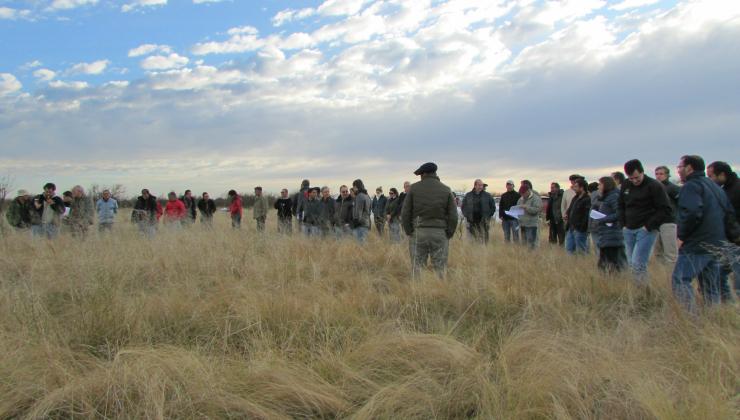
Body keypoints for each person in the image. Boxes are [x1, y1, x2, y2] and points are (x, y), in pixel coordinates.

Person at [672, 155, 733, 315]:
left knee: (680, 280)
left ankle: (691, 321)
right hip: (717, 243)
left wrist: (682, 236)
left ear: (689, 167)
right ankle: (714, 321)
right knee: (709, 286)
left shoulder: (691, 186)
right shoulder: (713, 186)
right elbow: (729, 213)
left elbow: (691, 212)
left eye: (680, 167)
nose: (678, 171)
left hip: (698, 244)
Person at [618, 159, 673, 289]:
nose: (634, 181)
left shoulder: (655, 186)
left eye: (637, 177)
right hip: (628, 229)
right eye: (631, 178)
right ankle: (639, 289)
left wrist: (648, 226)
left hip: (646, 230)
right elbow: (621, 205)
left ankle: (644, 292)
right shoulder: (626, 184)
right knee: (632, 263)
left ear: (642, 172)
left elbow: (665, 209)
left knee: (638, 264)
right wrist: (623, 225)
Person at [401, 162, 458, 278]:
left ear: (424, 174)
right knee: (440, 270)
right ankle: (440, 293)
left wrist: (409, 232)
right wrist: (449, 233)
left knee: (417, 270)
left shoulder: (414, 188)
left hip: (419, 232)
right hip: (439, 233)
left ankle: (418, 294)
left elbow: (405, 212)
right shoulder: (446, 189)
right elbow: (453, 216)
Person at [707, 161, 740, 303]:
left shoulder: (737, 189)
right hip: (729, 242)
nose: (709, 180)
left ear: (722, 175)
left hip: (737, 241)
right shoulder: (725, 189)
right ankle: (729, 309)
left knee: (739, 284)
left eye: (711, 176)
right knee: (719, 276)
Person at [596, 177, 628, 273]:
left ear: (607, 185)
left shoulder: (613, 196)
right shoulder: (607, 197)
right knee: (604, 264)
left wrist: (604, 219)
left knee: (611, 265)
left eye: (600, 184)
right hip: (606, 235)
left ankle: (615, 283)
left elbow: (620, 213)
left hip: (612, 236)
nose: (598, 187)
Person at [652, 166, 680, 265]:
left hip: (669, 222)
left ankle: (672, 275)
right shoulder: (655, 187)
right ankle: (662, 274)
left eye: (661, 174)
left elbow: (680, 203)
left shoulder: (673, 188)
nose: (658, 176)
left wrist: (676, 218)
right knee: (658, 252)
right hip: (656, 223)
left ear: (667, 175)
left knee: (670, 252)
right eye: (657, 174)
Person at [461, 179, 496, 244]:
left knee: (484, 237)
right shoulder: (469, 195)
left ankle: (484, 250)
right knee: (473, 238)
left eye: (481, 185)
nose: (480, 186)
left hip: (483, 220)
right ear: (475, 186)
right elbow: (463, 206)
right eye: (479, 185)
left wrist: (489, 214)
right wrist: (467, 215)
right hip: (472, 220)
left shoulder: (487, 195)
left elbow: (493, 206)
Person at [564, 179, 591, 255]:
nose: (574, 188)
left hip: (580, 230)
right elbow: (570, 208)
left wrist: (582, 229)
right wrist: (567, 214)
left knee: (581, 251)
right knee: (568, 250)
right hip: (571, 228)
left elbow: (586, 216)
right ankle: (570, 266)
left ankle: (581, 265)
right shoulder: (575, 198)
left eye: (576, 186)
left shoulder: (587, 199)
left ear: (582, 187)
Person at [516, 184, 543, 249]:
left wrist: (526, 208)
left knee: (530, 244)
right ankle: (526, 257)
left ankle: (531, 257)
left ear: (528, 191)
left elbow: (537, 210)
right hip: (523, 224)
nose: (522, 194)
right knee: (524, 243)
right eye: (521, 193)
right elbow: (518, 209)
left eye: (523, 193)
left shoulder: (535, 198)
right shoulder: (520, 200)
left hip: (531, 225)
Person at [351, 180, 372, 245]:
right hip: (366, 223)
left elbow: (358, 211)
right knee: (362, 243)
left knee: (359, 245)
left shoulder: (359, 196)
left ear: (355, 186)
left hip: (360, 224)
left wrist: (355, 223)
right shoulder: (367, 195)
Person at [587, 182, 601, 254]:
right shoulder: (601, 198)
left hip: (595, 227)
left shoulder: (595, 202)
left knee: (597, 247)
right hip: (599, 227)